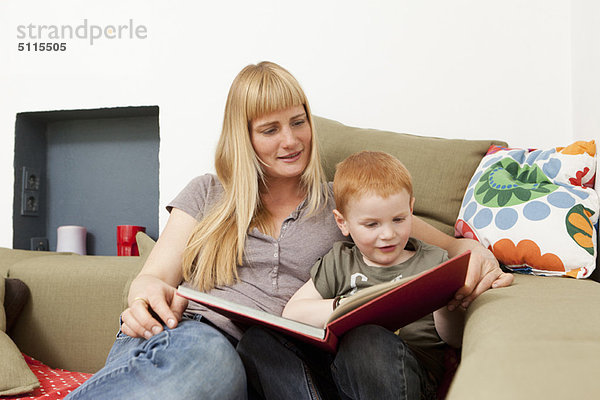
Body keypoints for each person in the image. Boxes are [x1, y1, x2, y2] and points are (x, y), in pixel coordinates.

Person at [66, 61, 513, 400]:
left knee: (228, 368)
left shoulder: (344, 203)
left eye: (298, 121)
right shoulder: (206, 193)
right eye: (270, 129)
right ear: (245, 137)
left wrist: (479, 255)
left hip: (264, 360)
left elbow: (444, 243)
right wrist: (143, 298)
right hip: (187, 335)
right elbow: (155, 276)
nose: (291, 140)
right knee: (211, 360)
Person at [239, 150, 462, 399]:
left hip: (406, 377)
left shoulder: (434, 261)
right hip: (340, 377)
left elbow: (454, 338)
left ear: (411, 209)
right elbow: (293, 312)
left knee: (367, 339)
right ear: (342, 223)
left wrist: (443, 301)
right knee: (256, 341)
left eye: (398, 219)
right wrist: (344, 305)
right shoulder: (341, 260)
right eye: (372, 224)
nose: (388, 234)